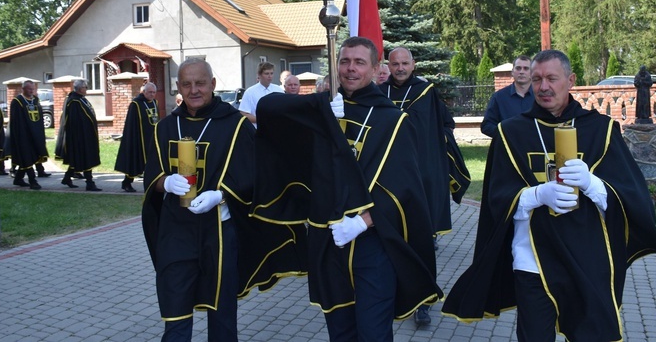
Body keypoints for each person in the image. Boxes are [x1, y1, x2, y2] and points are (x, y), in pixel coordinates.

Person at [442, 49, 656, 341]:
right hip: (531, 259)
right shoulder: (511, 133)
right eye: (536, 79)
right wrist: (536, 195)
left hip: (588, 257)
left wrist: (592, 183)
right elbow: (496, 200)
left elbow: (631, 196)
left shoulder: (601, 130)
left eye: (551, 78)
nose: (543, 87)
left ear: (570, 80)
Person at [254, 37, 443, 342]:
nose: (350, 69)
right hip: (327, 241)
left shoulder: (392, 120)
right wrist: (316, 103)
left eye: (359, 62)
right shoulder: (323, 109)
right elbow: (267, 108)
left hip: (371, 243)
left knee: (372, 333)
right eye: (344, 61)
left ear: (375, 69)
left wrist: (362, 222)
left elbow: (404, 188)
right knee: (340, 332)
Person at [142, 58, 304, 342]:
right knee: (175, 313)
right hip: (176, 232)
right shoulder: (165, 127)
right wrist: (165, 182)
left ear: (213, 85)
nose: (194, 90)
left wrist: (222, 194)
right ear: (178, 87)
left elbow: (255, 174)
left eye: (200, 83)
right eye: (187, 84)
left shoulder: (236, 124)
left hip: (219, 231)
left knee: (223, 316)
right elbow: (151, 177)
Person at [379, 47, 470, 326]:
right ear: (388, 66)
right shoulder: (379, 94)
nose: (400, 68)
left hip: (419, 180)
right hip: (386, 181)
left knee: (421, 246)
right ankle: (391, 298)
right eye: (395, 64)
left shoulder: (426, 92)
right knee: (389, 245)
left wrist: (433, 159)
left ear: (414, 64)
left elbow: (444, 126)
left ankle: (424, 303)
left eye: (405, 63)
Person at [55, 79, 102, 191]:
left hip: (87, 135)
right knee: (85, 158)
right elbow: (76, 121)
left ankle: (67, 178)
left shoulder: (81, 99)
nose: (87, 89)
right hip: (80, 136)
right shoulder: (74, 102)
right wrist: (84, 134)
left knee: (78, 159)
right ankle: (90, 183)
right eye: (85, 87)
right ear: (80, 89)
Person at [115, 82, 159, 192]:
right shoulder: (136, 104)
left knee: (153, 162)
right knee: (135, 160)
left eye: (154, 92)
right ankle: (127, 182)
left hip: (152, 137)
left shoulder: (155, 102)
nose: (152, 94)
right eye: (149, 92)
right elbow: (131, 124)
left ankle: (150, 185)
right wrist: (135, 138)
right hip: (139, 138)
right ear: (143, 92)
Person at [6, 80, 48, 190]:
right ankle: (32, 181)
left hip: (36, 133)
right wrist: (21, 135)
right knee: (26, 156)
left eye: (33, 89)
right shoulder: (17, 101)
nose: (32, 91)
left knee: (33, 156)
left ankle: (18, 179)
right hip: (23, 135)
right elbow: (16, 121)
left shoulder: (35, 100)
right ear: (23, 88)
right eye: (29, 89)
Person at [480, 54, 534, 138]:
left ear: (532, 72)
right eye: (518, 68)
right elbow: (486, 126)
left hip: (535, 148)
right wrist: (505, 135)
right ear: (512, 72)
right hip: (508, 148)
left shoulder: (540, 97)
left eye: (526, 68)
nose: (521, 71)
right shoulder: (499, 97)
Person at [238, 61, 283, 126]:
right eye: (266, 74)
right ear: (259, 75)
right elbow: (243, 113)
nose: (270, 76)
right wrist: (262, 120)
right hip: (257, 130)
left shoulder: (279, 90)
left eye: (271, 73)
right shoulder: (250, 92)